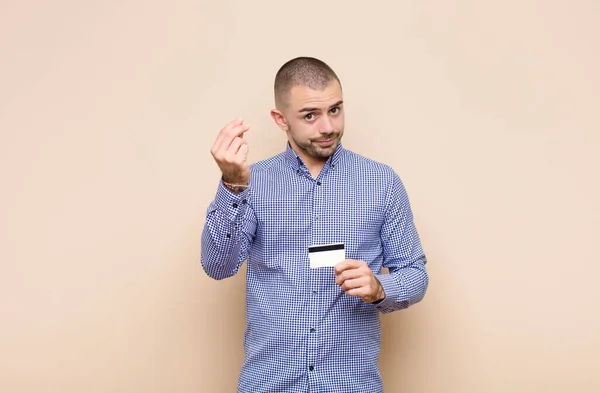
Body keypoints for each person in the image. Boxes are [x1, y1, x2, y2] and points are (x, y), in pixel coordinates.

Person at [201, 57, 429, 393]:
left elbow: (415, 273)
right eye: (310, 115)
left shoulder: (382, 182)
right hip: (270, 384)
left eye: (335, 110)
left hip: (351, 385)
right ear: (281, 119)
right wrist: (233, 185)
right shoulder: (253, 181)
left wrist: (381, 288)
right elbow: (217, 266)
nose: (328, 127)